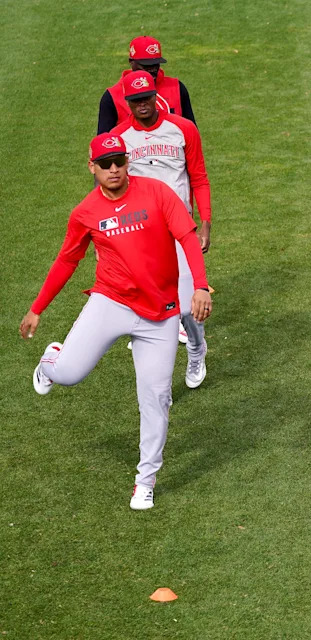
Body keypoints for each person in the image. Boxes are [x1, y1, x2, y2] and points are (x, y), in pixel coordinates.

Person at [20, 133, 212, 509]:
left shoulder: (157, 193)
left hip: (160, 313)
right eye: (105, 163)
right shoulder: (85, 213)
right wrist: (37, 308)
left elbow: (188, 239)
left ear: (127, 163)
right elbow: (67, 261)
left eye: (119, 162)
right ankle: (51, 362)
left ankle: (145, 479)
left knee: (156, 398)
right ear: (92, 167)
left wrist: (201, 286)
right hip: (112, 302)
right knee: (69, 374)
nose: (113, 169)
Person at [111, 70, 212, 388]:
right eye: (135, 100)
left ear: (157, 95)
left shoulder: (183, 130)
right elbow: (112, 188)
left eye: (147, 97)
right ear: (127, 102)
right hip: (140, 232)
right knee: (142, 304)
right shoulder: (120, 137)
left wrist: (205, 222)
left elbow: (198, 176)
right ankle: (154, 374)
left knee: (186, 304)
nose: (142, 104)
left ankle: (196, 348)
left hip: (180, 229)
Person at [97, 36, 197, 135]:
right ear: (131, 62)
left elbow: (191, 130)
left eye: (155, 64)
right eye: (146, 66)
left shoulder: (177, 88)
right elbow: (104, 142)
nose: (152, 70)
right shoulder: (112, 96)